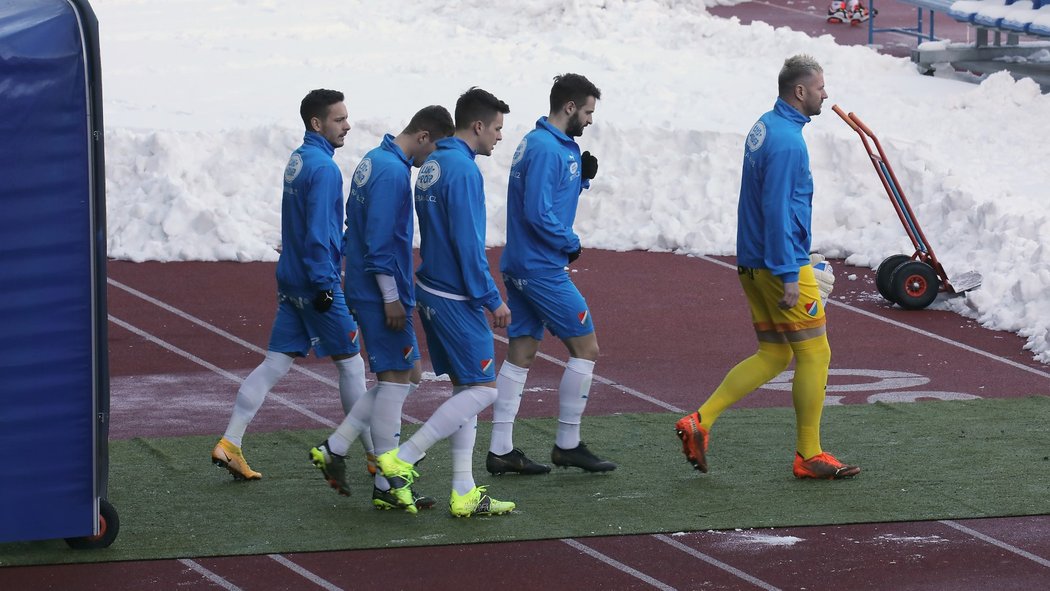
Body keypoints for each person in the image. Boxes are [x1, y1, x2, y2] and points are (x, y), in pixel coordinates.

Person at [675, 55, 861, 480]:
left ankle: (700, 421)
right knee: (816, 353)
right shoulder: (788, 141)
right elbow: (777, 206)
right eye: (820, 87)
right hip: (778, 265)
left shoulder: (765, 126)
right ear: (800, 91)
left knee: (775, 353)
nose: (825, 94)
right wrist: (790, 270)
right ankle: (809, 455)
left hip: (753, 261)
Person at [210, 89, 368, 481]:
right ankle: (377, 456)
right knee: (352, 365)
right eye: (339, 119)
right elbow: (319, 232)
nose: (347, 125)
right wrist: (326, 284)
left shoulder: (298, 159)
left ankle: (230, 442)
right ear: (317, 123)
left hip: (291, 278)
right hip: (316, 283)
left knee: (274, 363)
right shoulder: (326, 169)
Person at [375, 87, 516, 517]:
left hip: (431, 287)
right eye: (496, 128)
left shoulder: (433, 163)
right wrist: (492, 298)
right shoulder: (464, 171)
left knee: (465, 389)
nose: (498, 137)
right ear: (477, 126)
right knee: (484, 390)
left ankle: (463, 491)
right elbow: (468, 244)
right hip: (457, 294)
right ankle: (405, 457)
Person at [308, 106, 455, 511]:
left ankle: (336, 447)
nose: (434, 162)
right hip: (380, 291)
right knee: (394, 382)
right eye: (437, 150)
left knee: (408, 374)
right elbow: (379, 242)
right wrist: (390, 296)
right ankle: (388, 483)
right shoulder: (392, 173)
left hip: (364, 283)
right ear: (424, 137)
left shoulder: (376, 159)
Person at [486, 73, 615, 476]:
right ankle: (568, 442)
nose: (591, 120)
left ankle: (501, 449)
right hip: (541, 267)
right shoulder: (547, 148)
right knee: (587, 348)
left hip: (523, 264)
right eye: (589, 112)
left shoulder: (542, 142)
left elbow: (548, 197)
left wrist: (582, 179)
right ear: (570, 107)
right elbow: (538, 212)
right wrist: (569, 241)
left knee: (522, 352)